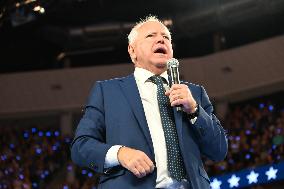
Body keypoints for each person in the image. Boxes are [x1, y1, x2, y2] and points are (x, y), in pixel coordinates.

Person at [71, 15, 228, 189]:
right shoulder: (107, 92)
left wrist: (195, 111)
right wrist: (120, 153)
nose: (161, 39)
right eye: (151, 36)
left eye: (166, 37)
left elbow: (219, 151)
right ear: (132, 51)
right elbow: (81, 146)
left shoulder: (195, 94)